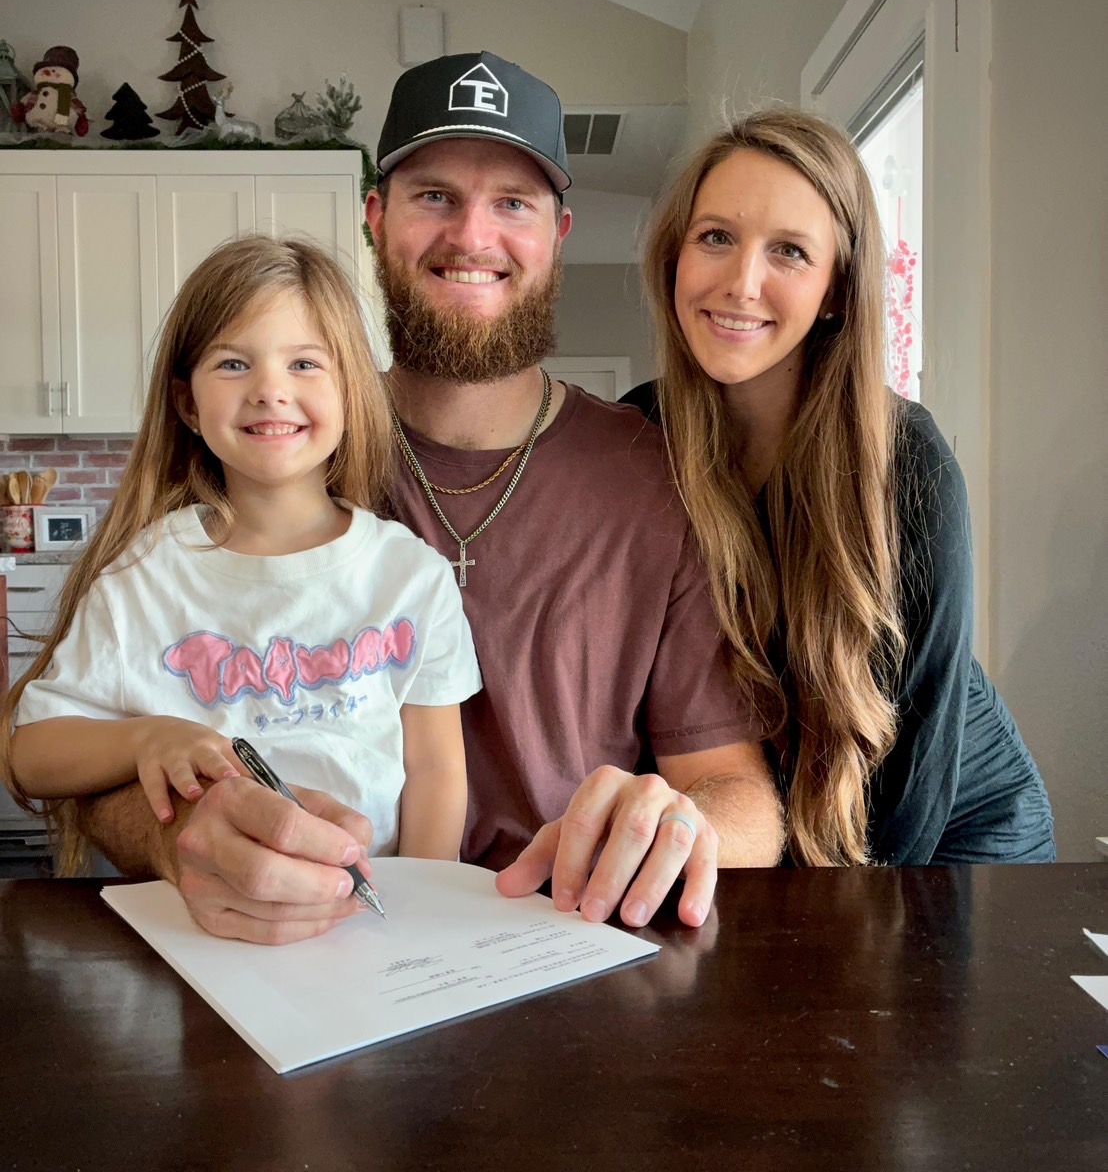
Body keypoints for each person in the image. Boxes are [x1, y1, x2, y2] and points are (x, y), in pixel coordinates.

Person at [17, 52, 784, 942]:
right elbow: (41, 738)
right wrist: (180, 830)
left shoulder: (657, 480)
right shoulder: (261, 453)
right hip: (286, 945)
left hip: (572, 944)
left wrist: (675, 827)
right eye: (435, 196)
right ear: (376, 219)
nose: (473, 235)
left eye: (513, 202)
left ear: (559, 232)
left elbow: (740, 798)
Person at [1, 236, 482, 932]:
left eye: (305, 363)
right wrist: (147, 739)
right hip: (199, 931)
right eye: (233, 363)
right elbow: (30, 751)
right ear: (188, 404)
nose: (269, 389)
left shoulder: (413, 576)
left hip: (366, 929)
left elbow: (436, 771)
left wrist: (417, 915)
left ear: (351, 390)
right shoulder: (147, 574)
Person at [624, 106, 1053, 865]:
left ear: (835, 291)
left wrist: (829, 920)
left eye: (789, 251)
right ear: (675, 257)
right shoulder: (637, 436)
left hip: (948, 830)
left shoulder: (908, 465)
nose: (741, 282)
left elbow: (914, 778)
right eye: (715, 236)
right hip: (761, 821)